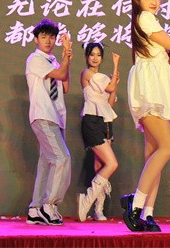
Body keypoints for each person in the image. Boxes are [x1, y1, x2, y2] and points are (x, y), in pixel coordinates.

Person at [120, 0, 170, 233]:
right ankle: (135, 204)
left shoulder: (150, 22)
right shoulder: (145, 18)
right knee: (168, 147)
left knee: (154, 154)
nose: (155, 2)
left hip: (156, 85)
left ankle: (146, 213)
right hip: (150, 89)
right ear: (137, 0)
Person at [25, 18, 73, 226]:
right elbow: (61, 74)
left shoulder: (53, 61)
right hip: (43, 115)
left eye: (52, 37)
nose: (48, 41)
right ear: (36, 39)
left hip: (56, 117)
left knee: (46, 163)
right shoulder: (35, 59)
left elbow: (65, 86)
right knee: (62, 158)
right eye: (43, 37)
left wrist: (65, 59)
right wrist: (66, 57)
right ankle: (49, 204)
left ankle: (35, 209)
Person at [76, 42, 120, 222]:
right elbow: (110, 87)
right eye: (92, 54)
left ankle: (98, 210)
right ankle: (86, 200)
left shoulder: (104, 79)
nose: (95, 58)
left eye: (98, 55)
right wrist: (116, 66)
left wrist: (114, 82)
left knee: (100, 166)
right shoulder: (87, 74)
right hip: (92, 121)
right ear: (87, 57)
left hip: (105, 122)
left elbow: (109, 103)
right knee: (112, 164)